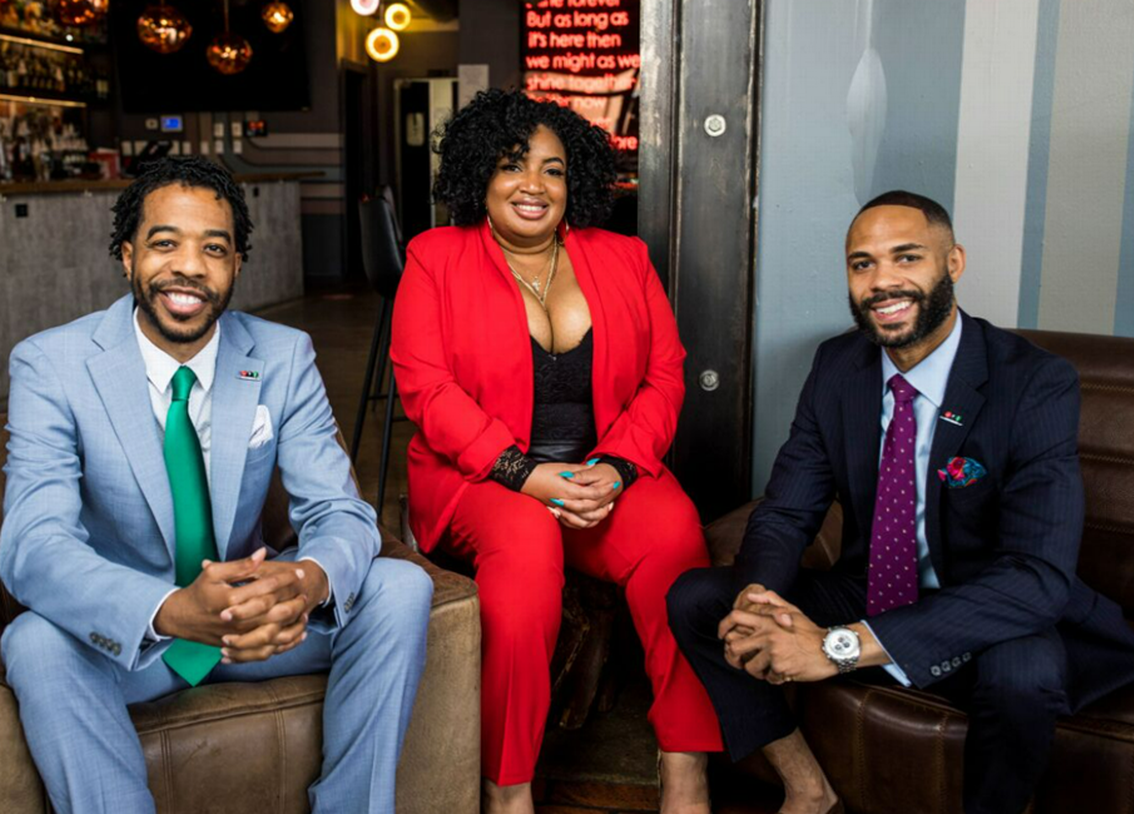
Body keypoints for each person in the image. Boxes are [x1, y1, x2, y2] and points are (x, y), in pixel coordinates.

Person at [666, 190, 1134, 814]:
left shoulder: (1032, 381)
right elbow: (786, 512)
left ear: (953, 263)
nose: (882, 281)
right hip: (873, 586)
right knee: (698, 597)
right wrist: (761, 604)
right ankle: (807, 788)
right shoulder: (838, 365)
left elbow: (1037, 579)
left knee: (1023, 674)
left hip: (986, 607)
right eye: (862, 264)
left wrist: (835, 647)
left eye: (907, 258)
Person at [0, 157, 433, 814]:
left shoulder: (283, 355)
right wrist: (170, 611)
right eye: (165, 243)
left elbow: (340, 510)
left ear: (235, 266)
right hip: (132, 642)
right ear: (127, 256)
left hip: (257, 631)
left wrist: (304, 583)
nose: (190, 267)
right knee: (32, 641)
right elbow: (34, 545)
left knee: (401, 586)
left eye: (214, 249)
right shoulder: (50, 365)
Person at [391, 89, 722, 814]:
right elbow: (426, 389)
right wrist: (527, 475)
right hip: (482, 481)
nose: (534, 186)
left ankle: (685, 766)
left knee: (674, 534)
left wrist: (616, 468)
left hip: (603, 472)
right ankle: (509, 789)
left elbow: (666, 373)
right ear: (481, 173)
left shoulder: (624, 257)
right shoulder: (436, 257)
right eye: (513, 166)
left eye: (554, 169)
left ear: (579, 181)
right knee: (524, 544)